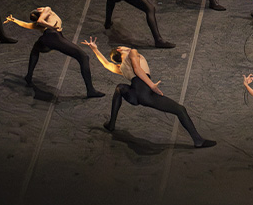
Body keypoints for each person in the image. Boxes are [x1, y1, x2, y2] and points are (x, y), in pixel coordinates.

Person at [84, 37, 216, 148]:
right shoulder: (132, 52)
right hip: (144, 92)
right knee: (180, 110)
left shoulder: (121, 68)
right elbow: (137, 69)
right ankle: (198, 141)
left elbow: (106, 64)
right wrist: (151, 85)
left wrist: (95, 49)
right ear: (120, 49)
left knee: (120, 88)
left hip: (133, 95)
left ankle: (111, 124)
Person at [4, 7, 104, 97]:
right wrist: (52, 26)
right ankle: (90, 90)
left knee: (35, 49)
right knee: (83, 57)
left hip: (47, 39)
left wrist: (14, 20)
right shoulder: (47, 9)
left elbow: (28, 25)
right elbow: (40, 20)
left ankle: (28, 76)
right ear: (39, 9)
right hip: (54, 37)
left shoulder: (41, 24)